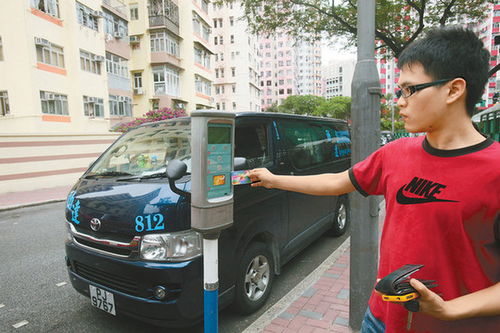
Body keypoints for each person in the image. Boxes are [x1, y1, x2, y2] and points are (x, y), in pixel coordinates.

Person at [248, 26, 500, 332]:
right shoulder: (395, 153)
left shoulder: (494, 170)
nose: (400, 101)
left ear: (453, 89)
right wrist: (275, 180)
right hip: (380, 320)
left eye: (409, 89)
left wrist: (448, 310)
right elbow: (337, 182)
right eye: (398, 91)